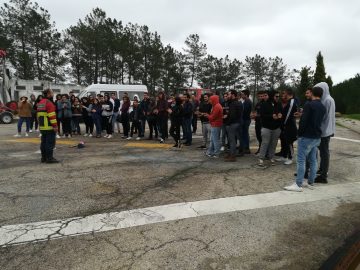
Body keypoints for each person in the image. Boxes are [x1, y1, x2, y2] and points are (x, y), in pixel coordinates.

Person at [284, 86, 326, 191]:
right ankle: (310, 182)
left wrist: (299, 134)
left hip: (306, 136)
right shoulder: (322, 106)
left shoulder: (309, 105)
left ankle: (298, 184)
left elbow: (304, 121)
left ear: (312, 93)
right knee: (313, 160)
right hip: (316, 136)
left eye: (309, 93)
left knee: (301, 160)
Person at [315, 82, 336, 184]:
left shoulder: (327, 100)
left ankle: (323, 175)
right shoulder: (329, 99)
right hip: (327, 129)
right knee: (323, 152)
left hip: (324, 130)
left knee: (324, 152)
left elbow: (324, 116)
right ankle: (322, 169)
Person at [257, 91, 282, 167]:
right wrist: (271, 116)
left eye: (278, 96)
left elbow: (280, 112)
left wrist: (280, 115)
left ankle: (271, 157)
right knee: (265, 143)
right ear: (272, 96)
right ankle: (261, 158)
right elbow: (262, 115)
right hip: (266, 127)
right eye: (276, 96)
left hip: (276, 127)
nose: (278, 98)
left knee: (274, 144)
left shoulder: (279, 104)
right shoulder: (264, 104)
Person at [276, 88, 298, 165]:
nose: (283, 94)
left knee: (289, 142)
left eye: (284, 93)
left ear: (288, 94)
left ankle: (291, 158)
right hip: (286, 125)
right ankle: (284, 156)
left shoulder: (292, 101)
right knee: (285, 141)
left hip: (289, 125)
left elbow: (288, 114)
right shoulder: (289, 101)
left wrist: (284, 123)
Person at [37, 89, 59, 163]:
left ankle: (43, 158)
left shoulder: (40, 102)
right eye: (52, 93)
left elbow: (38, 116)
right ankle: (49, 158)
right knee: (50, 143)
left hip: (42, 127)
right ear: (49, 94)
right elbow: (52, 116)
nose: (53, 94)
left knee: (43, 143)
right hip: (49, 127)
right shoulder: (49, 103)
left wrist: (39, 126)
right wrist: (55, 126)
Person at [224, 90, 243, 162]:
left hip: (233, 124)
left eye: (228, 94)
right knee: (234, 140)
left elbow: (232, 116)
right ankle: (232, 153)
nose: (227, 96)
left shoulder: (233, 104)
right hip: (238, 123)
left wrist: (228, 123)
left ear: (233, 95)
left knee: (232, 141)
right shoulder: (238, 102)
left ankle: (232, 156)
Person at [240, 90, 252, 154]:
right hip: (245, 119)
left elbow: (244, 112)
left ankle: (246, 148)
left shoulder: (247, 101)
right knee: (244, 133)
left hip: (246, 120)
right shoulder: (245, 101)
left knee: (245, 134)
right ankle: (244, 147)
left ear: (246, 95)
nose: (241, 95)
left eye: (242, 94)